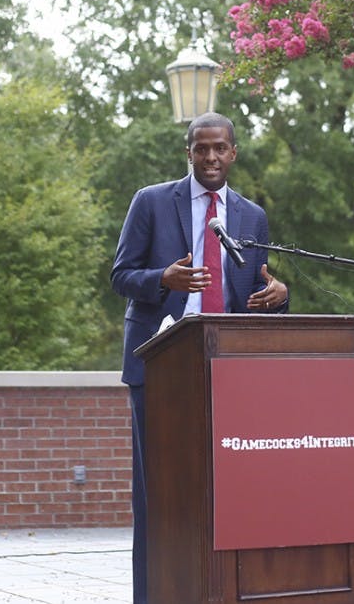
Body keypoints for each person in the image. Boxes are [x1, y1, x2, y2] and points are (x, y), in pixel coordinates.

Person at [110, 111, 289, 603]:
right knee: (158, 498)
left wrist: (279, 294)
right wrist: (161, 280)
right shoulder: (150, 202)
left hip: (228, 370)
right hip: (159, 365)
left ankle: (222, 591)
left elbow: (258, 289)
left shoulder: (252, 217)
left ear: (233, 153)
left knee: (230, 492)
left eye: (219, 149)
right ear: (188, 152)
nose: (210, 157)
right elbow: (121, 274)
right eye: (201, 148)